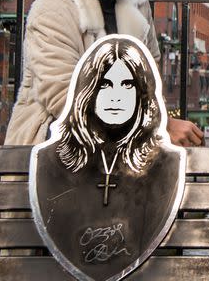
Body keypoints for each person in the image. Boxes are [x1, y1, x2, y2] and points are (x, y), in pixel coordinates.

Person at [5, 0, 203, 147]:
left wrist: (156, 122)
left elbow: (150, 77)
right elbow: (63, 96)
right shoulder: (54, 5)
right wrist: (159, 125)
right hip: (55, 139)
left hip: (123, 140)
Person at [31, 36, 185, 280]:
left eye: (127, 85)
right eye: (104, 85)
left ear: (142, 93)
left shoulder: (167, 162)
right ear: (88, 90)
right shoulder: (50, 160)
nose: (116, 97)